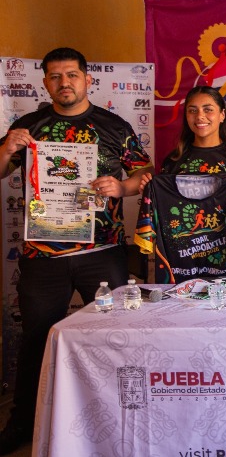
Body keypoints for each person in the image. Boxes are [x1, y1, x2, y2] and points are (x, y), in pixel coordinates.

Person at [0, 48, 152, 453]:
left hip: (103, 251)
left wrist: (122, 186)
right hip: (42, 256)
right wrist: (7, 149)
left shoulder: (113, 126)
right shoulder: (28, 126)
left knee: (116, 338)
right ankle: (22, 424)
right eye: (55, 76)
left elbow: (144, 172)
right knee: (36, 341)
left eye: (71, 74)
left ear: (88, 79)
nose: (64, 82)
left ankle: (122, 419)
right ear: (45, 83)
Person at [139, 85, 226, 192]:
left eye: (208, 109)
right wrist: (150, 192)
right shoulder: (172, 161)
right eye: (193, 110)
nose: (199, 116)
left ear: (222, 115)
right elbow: (163, 203)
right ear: (186, 116)